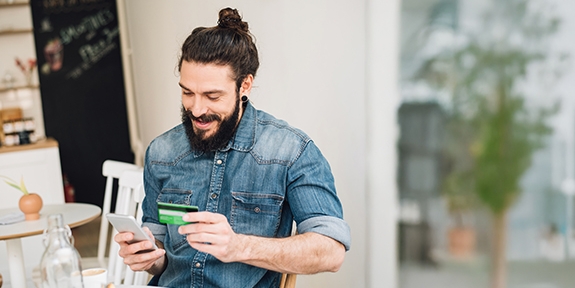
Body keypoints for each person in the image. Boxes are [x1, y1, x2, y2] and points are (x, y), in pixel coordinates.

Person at [114, 7, 351, 287]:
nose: (197, 109)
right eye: (187, 92)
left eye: (212, 96)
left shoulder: (291, 151)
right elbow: (161, 257)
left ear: (245, 86)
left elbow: (331, 251)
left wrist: (239, 247)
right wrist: (147, 256)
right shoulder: (161, 152)